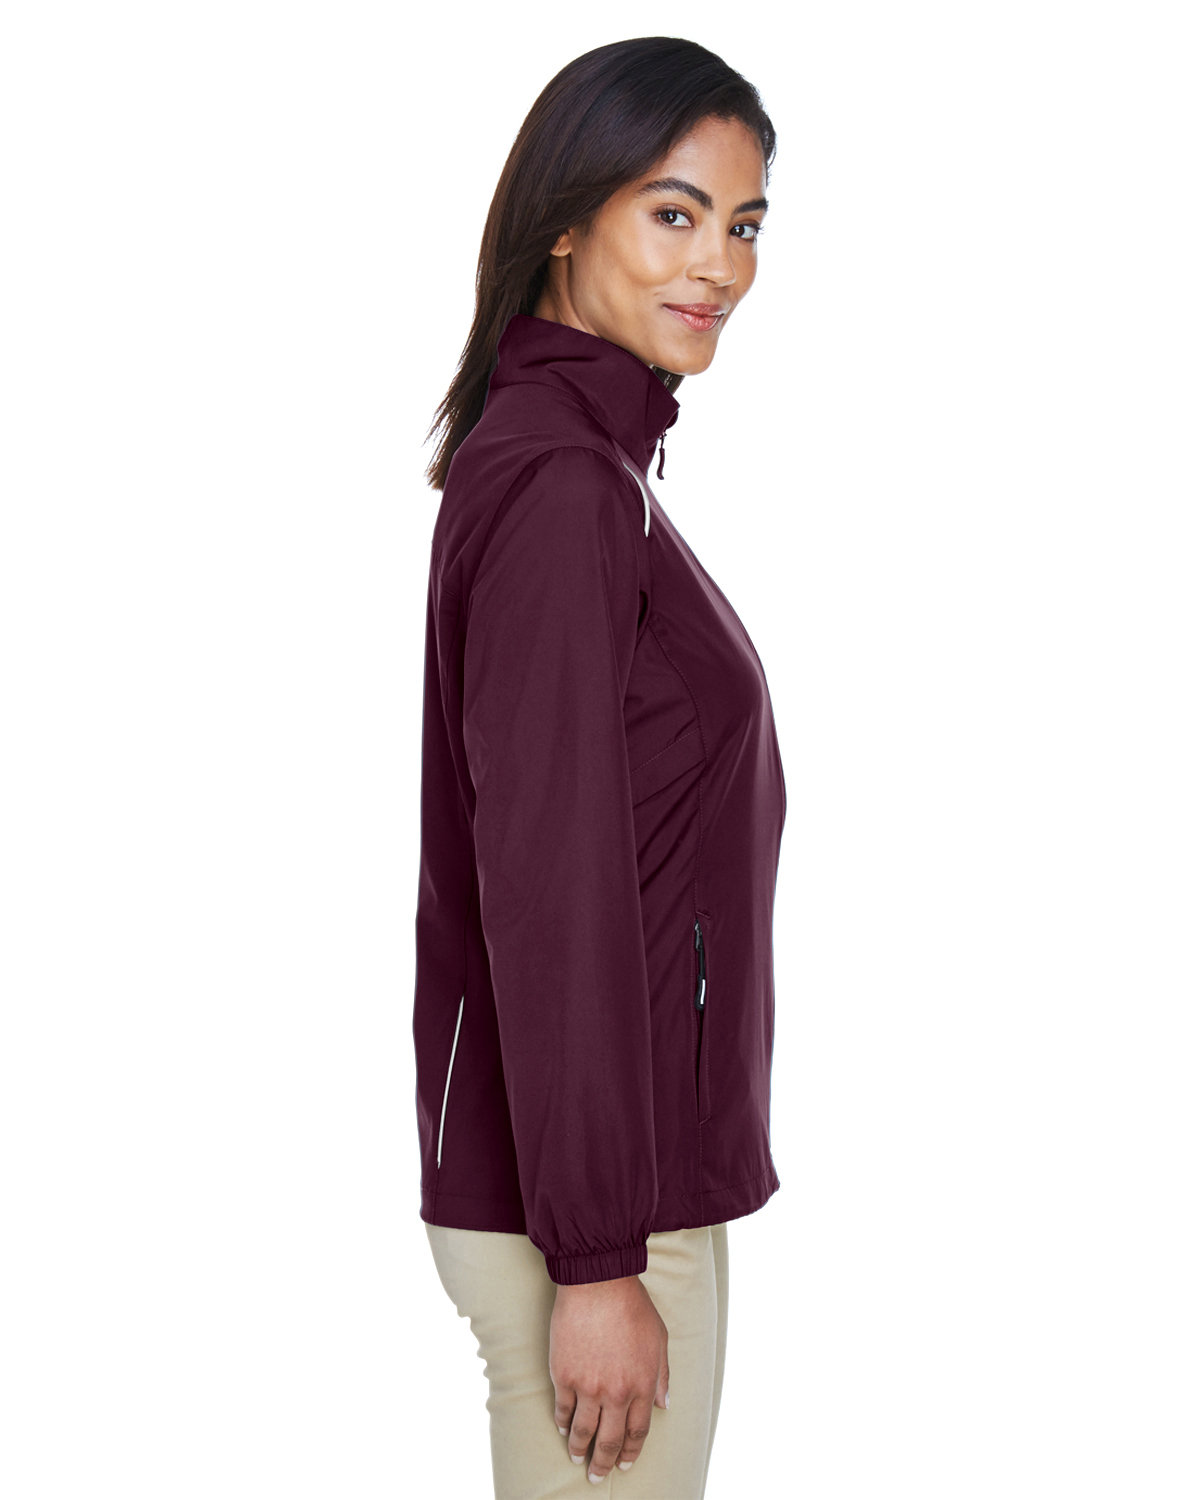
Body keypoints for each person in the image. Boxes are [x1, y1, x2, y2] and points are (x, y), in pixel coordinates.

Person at [413, 37, 786, 1498]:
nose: (719, 267)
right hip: (596, 1215)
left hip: (620, 1187)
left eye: (744, 224)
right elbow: (552, 881)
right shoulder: (566, 487)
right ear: (568, 219)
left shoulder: (582, 467)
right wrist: (596, 1260)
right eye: (673, 213)